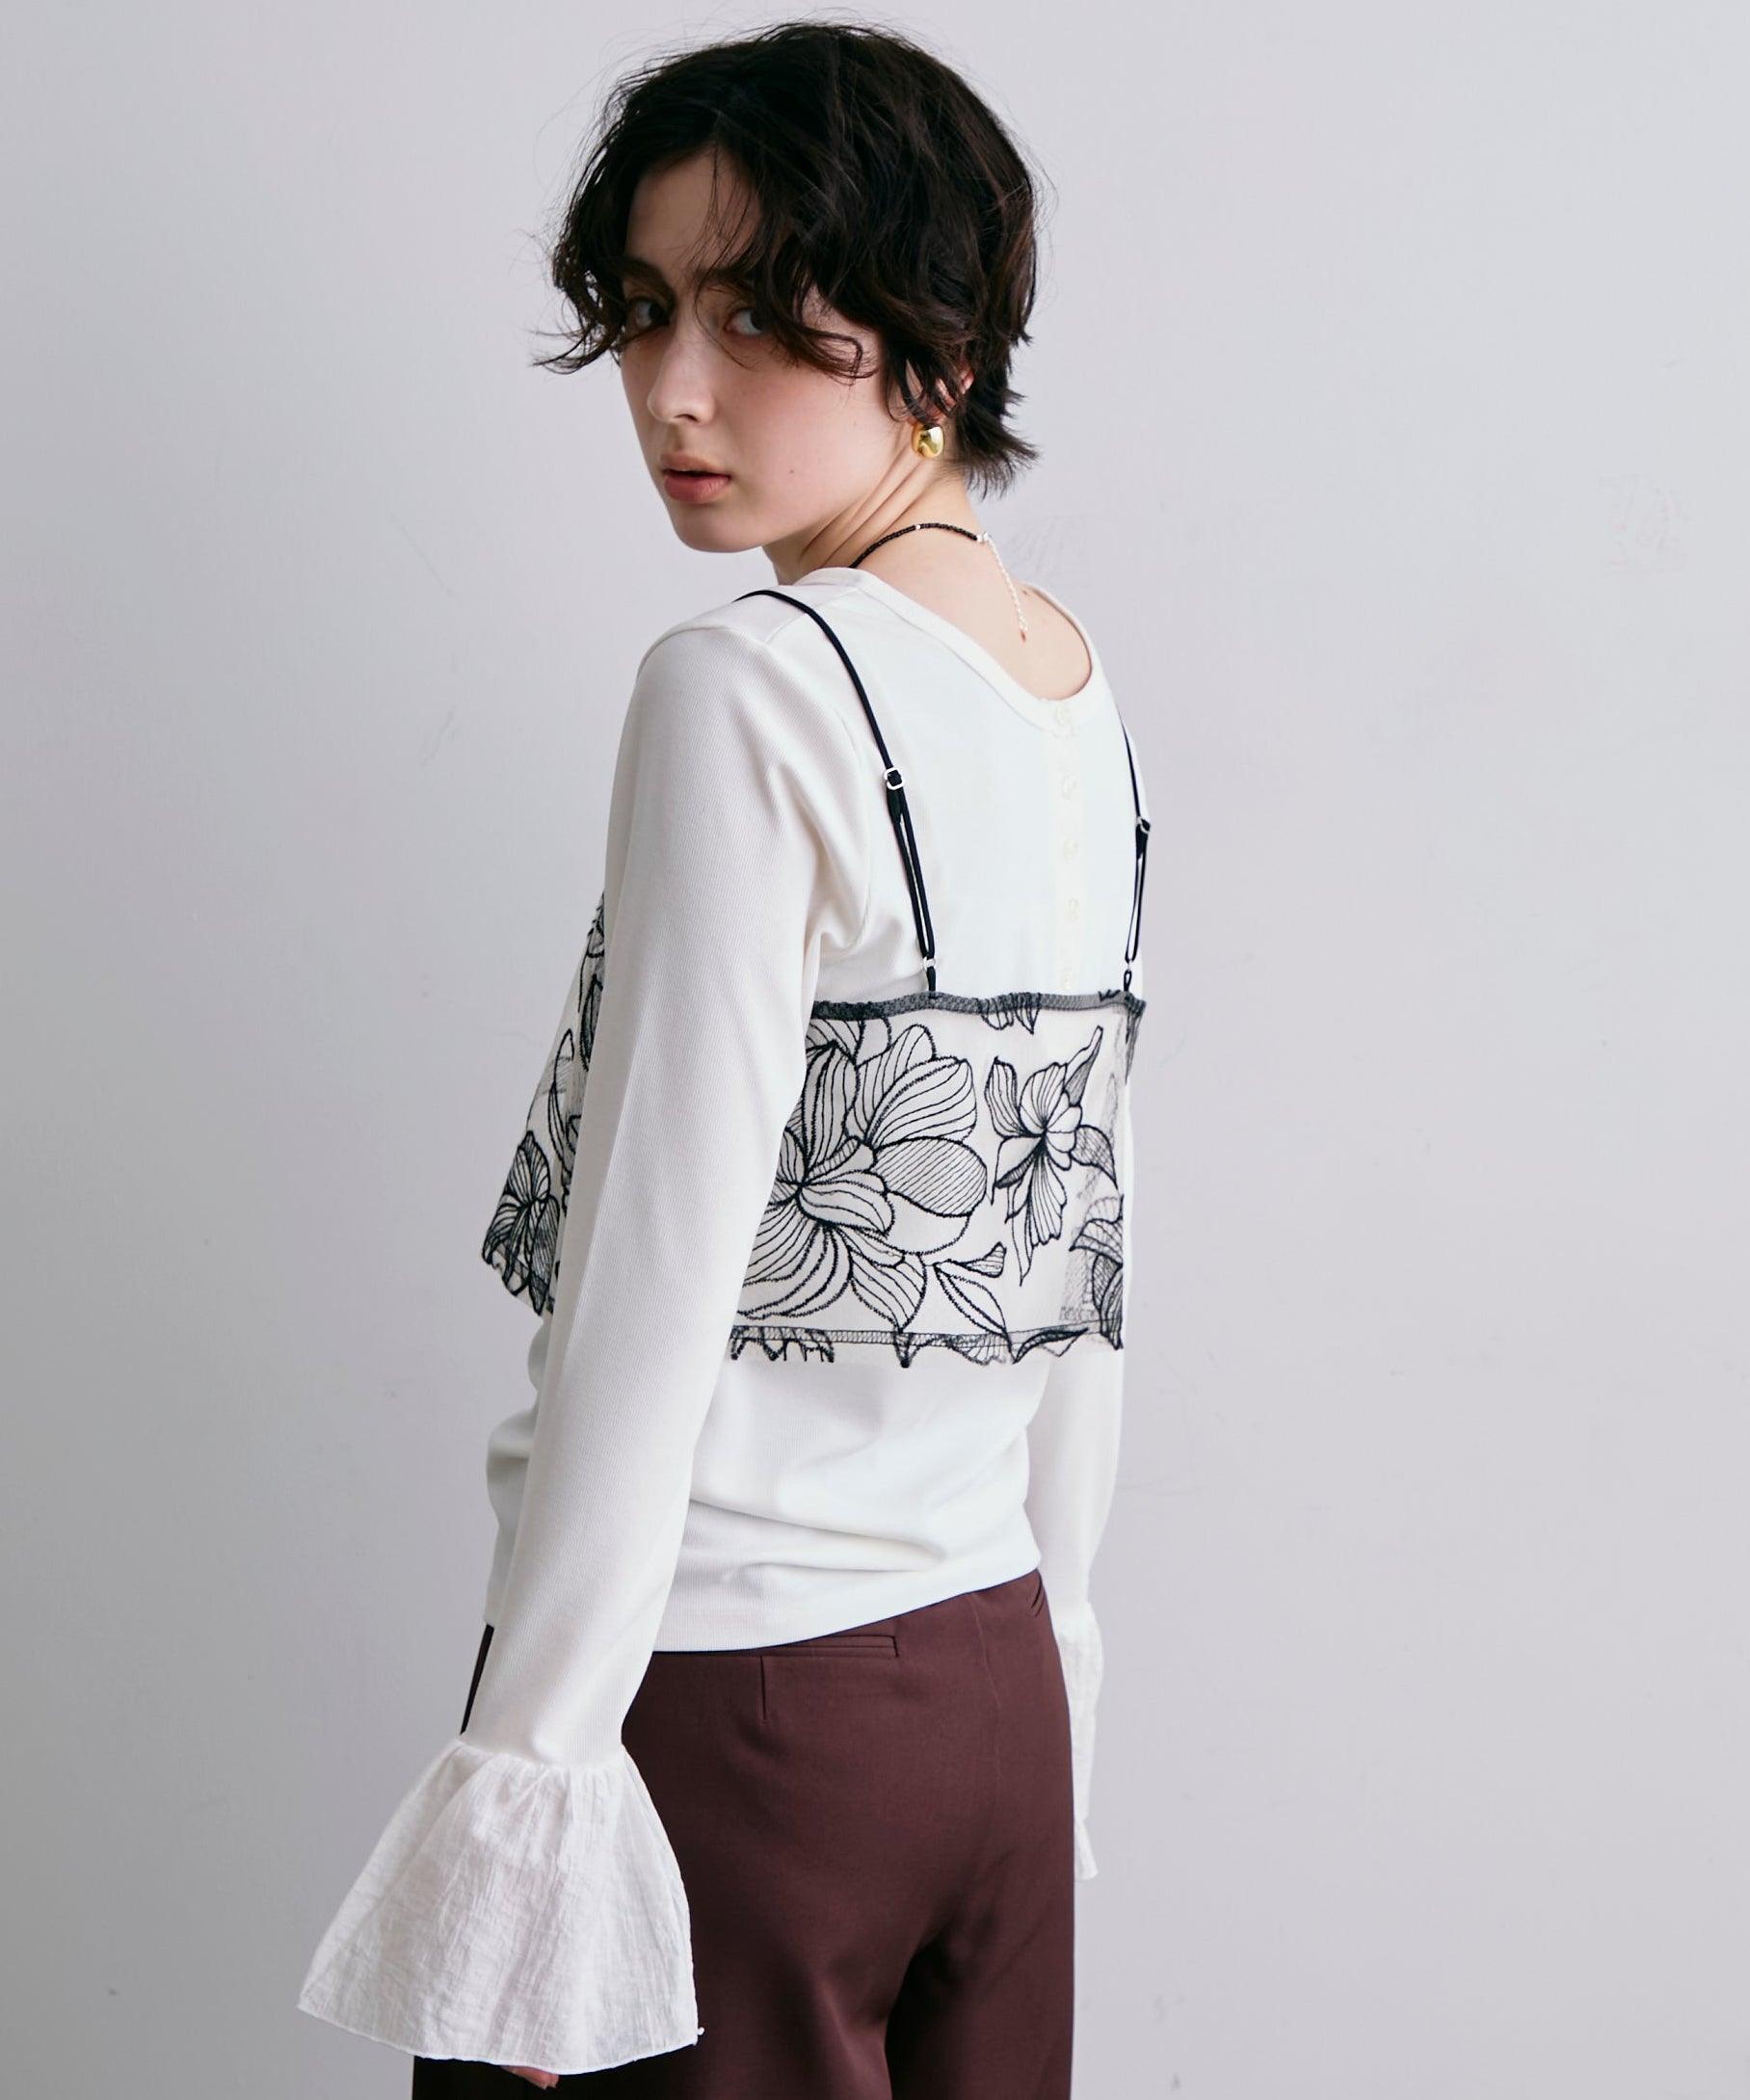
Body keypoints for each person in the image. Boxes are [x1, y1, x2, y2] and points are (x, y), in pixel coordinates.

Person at [297, 20, 1151, 2097]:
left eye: (762, 316)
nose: (674, 388)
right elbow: (1084, 1250)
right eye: (644, 308)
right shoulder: (1063, 687)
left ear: (938, 340)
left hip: (723, 1721)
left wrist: (529, 1783)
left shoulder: (743, 687)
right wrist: (1061, 1674)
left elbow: (652, 1277)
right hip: (988, 1699)